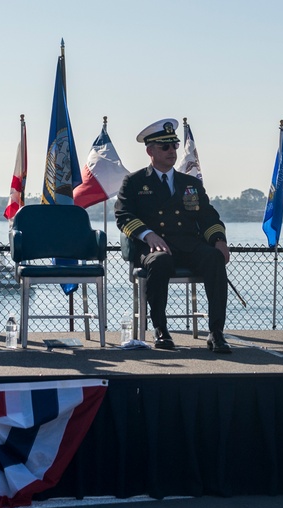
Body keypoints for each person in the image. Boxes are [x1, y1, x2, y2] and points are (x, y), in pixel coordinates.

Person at [115, 118, 232, 354]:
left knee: (214, 258)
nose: (172, 151)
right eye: (165, 146)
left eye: (175, 145)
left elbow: (208, 216)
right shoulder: (135, 182)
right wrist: (148, 235)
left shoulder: (190, 183)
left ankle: (216, 332)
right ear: (150, 150)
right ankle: (161, 330)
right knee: (160, 261)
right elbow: (123, 216)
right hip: (153, 248)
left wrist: (219, 241)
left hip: (189, 245)